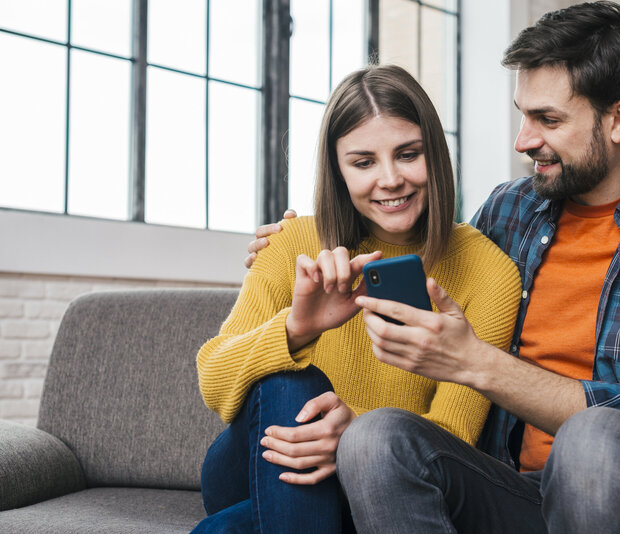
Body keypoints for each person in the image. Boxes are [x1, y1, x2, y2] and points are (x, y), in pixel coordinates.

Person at [248, 3, 620, 533]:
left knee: (593, 438)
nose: (523, 140)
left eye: (548, 119)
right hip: (516, 491)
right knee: (374, 438)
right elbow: (413, 241)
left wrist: (474, 362)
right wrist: (302, 239)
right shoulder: (510, 210)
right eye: (523, 115)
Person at [192, 64, 521, 533]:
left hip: (380, 479)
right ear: (338, 170)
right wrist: (298, 328)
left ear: (436, 153)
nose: (390, 180)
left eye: (408, 154)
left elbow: (454, 438)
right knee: (294, 385)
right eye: (364, 162)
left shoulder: (488, 272)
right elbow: (214, 381)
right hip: (250, 465)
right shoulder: (293, 242)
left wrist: (353, 432)